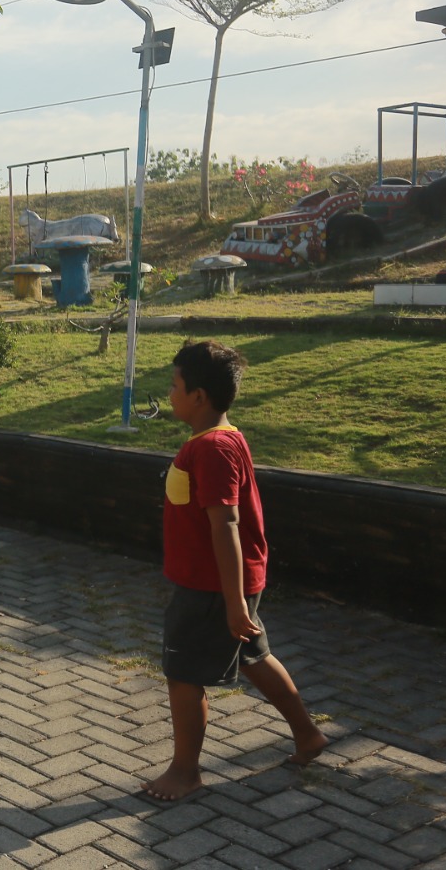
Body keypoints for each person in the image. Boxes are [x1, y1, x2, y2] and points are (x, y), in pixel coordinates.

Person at [142, 340, 327, 801]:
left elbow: (226, 523)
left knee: (184, 673)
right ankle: (308, 735)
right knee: (253, 655)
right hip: (221, 584)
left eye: (174, 385)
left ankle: (185, 772)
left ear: (199, 396)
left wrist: (232, 600)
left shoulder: (213, 449)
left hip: (210, 587)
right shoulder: (218, 439)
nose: (170, 393)